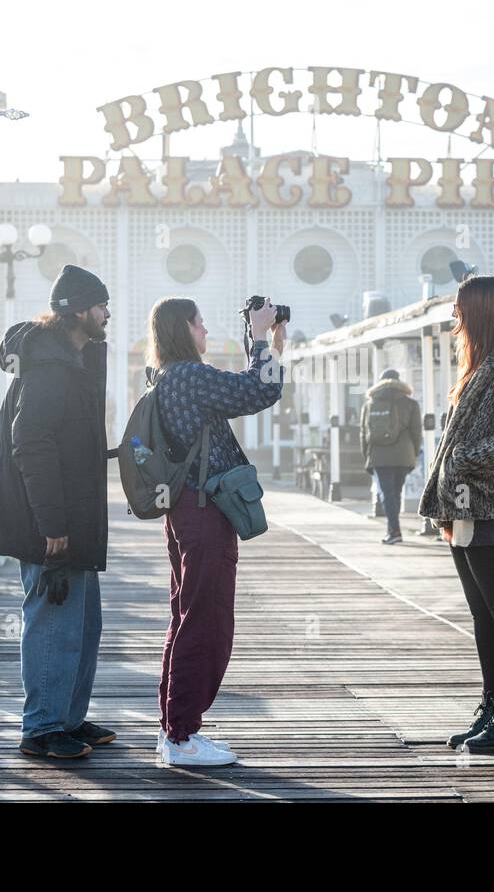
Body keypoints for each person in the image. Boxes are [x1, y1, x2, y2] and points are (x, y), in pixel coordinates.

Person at [0, 265, 117, 760]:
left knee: (83, 622)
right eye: (99, 305)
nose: (107, 314)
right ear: (77, 311)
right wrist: (51, 523)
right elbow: (29, 443)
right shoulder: (51, 369)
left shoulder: (68, 359)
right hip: (52, 522)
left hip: (75, 517)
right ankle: (42, 728)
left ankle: (68, 718)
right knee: (54, 620)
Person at [148, 296, 286, 766]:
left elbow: (253, 386)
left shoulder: (167, 375)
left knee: (186, 614)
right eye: (200, 323)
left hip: (187, 509)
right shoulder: (189, 375)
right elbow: (258, 393)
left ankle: (174, 727)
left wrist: (263, 342)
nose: (206, 332)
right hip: (205, 511)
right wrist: (261, 338)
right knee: (205, 619)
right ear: (182, 330)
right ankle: (183, 736)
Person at [418, 275, 494, 753]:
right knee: (483, 613)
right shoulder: (482, 363)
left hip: (489, 502)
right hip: (464, 504)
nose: (454, 316)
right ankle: (492, 707)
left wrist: (465, 459)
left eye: (459, 308)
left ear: (479, 311)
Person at [360, 368, 422, 544]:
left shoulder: (370, 404)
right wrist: (413, 454)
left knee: (386, 493)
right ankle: (394, 530)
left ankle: (394, 531)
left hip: (379, 455)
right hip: (404, 455)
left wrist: (367, 455)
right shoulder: (411, 404)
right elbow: (417, 432)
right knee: (395, 492)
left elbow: (363, 433)